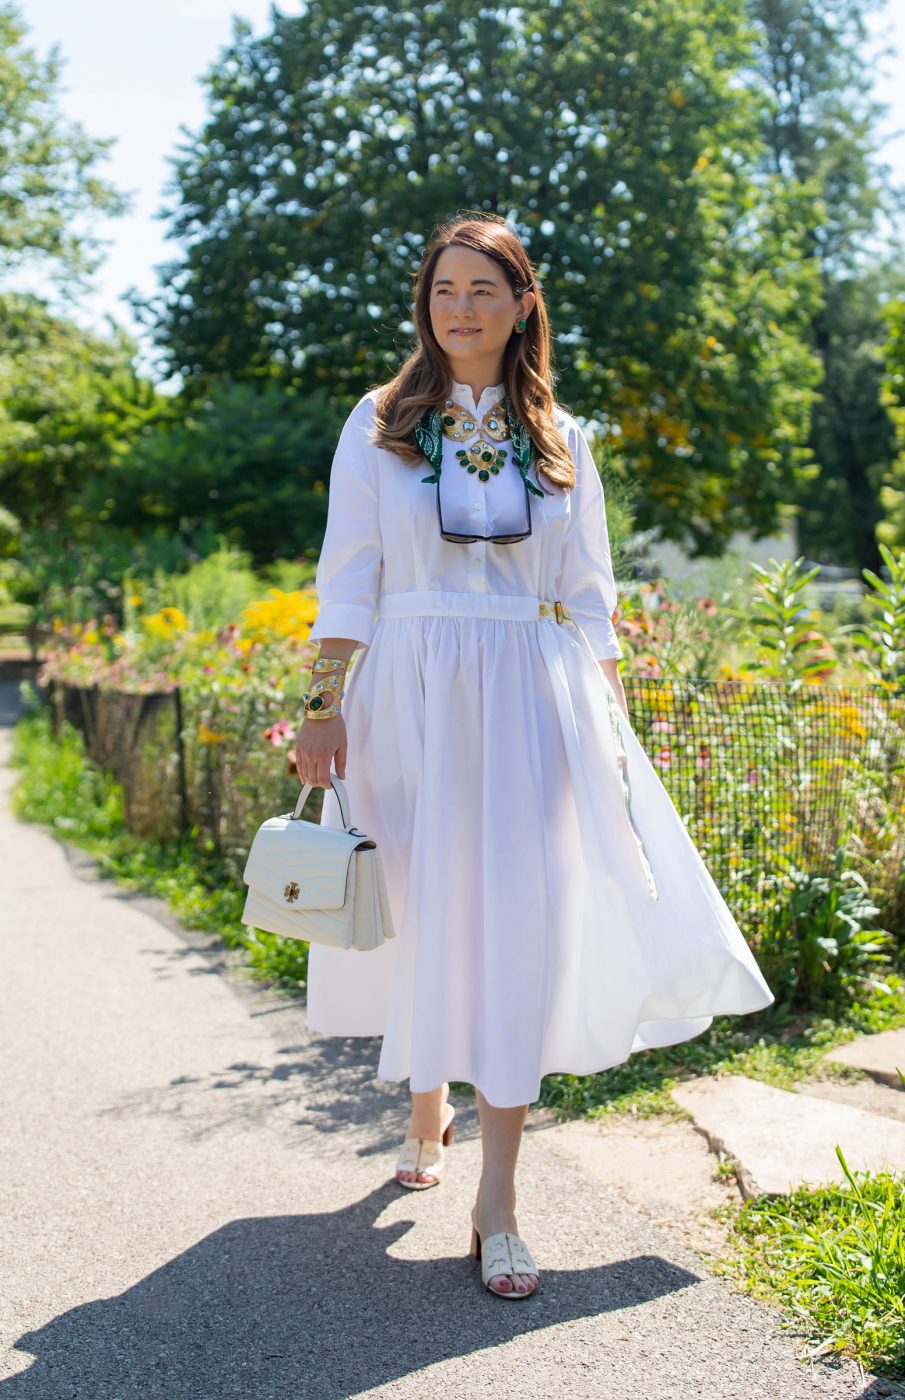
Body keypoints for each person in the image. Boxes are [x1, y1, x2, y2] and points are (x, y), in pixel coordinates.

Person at [295, 213, 774, 1300]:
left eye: (481, 288)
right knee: (416, 908)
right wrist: (323, 706)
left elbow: (594, 595)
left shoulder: (563, 434)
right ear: (425, 305)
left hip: (528, 698)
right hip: (407, 696)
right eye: (441, 288)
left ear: (522, 303)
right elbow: (348, 576)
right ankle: (429, 1097)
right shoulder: (376, 424)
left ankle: (499, 1200)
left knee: (519, 927)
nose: (457, 306)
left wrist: (608, 726)